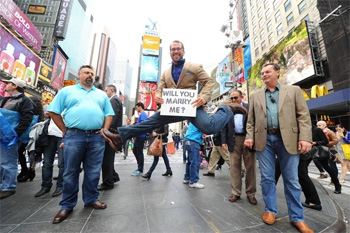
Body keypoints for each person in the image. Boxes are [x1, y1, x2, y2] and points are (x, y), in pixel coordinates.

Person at [101, 40, 247, 151]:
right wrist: (158, 97)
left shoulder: (194, 67)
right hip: (172, 108)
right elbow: (159, 90)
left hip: (192, 107)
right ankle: (120, 137)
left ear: (183, 51)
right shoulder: (165, 73)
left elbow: (209, 82)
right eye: (173, 49)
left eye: (178, 49)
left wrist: (203, 97)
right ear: (170, 52)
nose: (175, 51)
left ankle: (228, 109)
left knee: (209, 127)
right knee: (149, 123)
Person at [243, 63, 313, 233]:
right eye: (262, 73)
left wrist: (305, 138)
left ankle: (297, 218)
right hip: (263, 140)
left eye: (267, 71)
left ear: (277, 73)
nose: (264, 74)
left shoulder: (293, 91)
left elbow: (303, 116)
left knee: (292, 179)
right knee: (267, 178)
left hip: (288, 138)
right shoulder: (256, 95)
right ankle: (270, 211)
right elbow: (251, 120)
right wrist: (249, 136)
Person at [47, 65, 115, 224]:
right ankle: (67, 205)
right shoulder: (67, 91)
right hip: (73, 136)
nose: (90, 75)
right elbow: (53, 111)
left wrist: (105, 130)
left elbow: (109, 114)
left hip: (97, 137)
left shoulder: (101, 94)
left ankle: (91, 199)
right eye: (86, 72)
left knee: (93, 172)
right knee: (70, 172)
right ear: (79, 75)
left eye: (92, 73)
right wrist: (65, 130)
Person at [0, 78, 34, 199]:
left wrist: (14, 134)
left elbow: (26, 119)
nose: (6, 84)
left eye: (8, 83)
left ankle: (9, 187)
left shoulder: (25, 101)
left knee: (8, 161)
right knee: (1, 162)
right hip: (2, 135)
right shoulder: (6, 99)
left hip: (11, 137)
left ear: (14, 86)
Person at [222, 90, 257, 205]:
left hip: (248, 138)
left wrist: (252, 138)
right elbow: (224, 125)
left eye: (235, 98)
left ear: (242, 97)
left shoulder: (249, 107)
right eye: (231, 98)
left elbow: (255, 123)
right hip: (233, 139)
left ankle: (251, 193)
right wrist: (224, 141)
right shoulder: (228, 109)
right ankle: (236, 192)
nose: (233, 100)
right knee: (234, 167)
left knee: (250, 167)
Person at [98, 85, 123, 191]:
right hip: (111, 132)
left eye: (106, 90)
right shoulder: (114, 100)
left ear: (111, 90)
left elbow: (111, 117)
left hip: (110, 133)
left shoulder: (114, 100)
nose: (105, 92)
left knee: (107, 159)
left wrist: (106, 130)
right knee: (108, 158)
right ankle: (113, 176)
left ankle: (108, 182)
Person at [17, 96, 45, 182]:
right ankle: (31, 170)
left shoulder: (29, 112)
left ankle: (24, 170)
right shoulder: (39, 116)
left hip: (26, 134)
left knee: (20, 151)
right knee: (32, 152)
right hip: (35, 135)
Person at [34, 119, 64, 197]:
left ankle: (60, 186)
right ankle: (45, 186)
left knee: (62, 163)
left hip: (63, 135)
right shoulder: (54, 106)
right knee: (47, 163)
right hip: (50, 135)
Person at [183, 123, 205, 189]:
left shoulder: (193, 120)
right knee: (195, 162)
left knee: (189, 161)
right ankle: (193, 181)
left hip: (187, 140)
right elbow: (208, 128)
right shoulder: (200, 120)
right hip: (194, 141)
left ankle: (187, 178)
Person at [131, 102, 148, 176]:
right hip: (138, 136)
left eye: (136, 107)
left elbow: (143, 124)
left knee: (139, 152)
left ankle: (140, 169)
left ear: (140, 107)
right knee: (135, 151)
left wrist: (135, 125)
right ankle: (139, 167)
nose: (136, 109)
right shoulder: (141, 114)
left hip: (141, 136)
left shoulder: (143, 114)